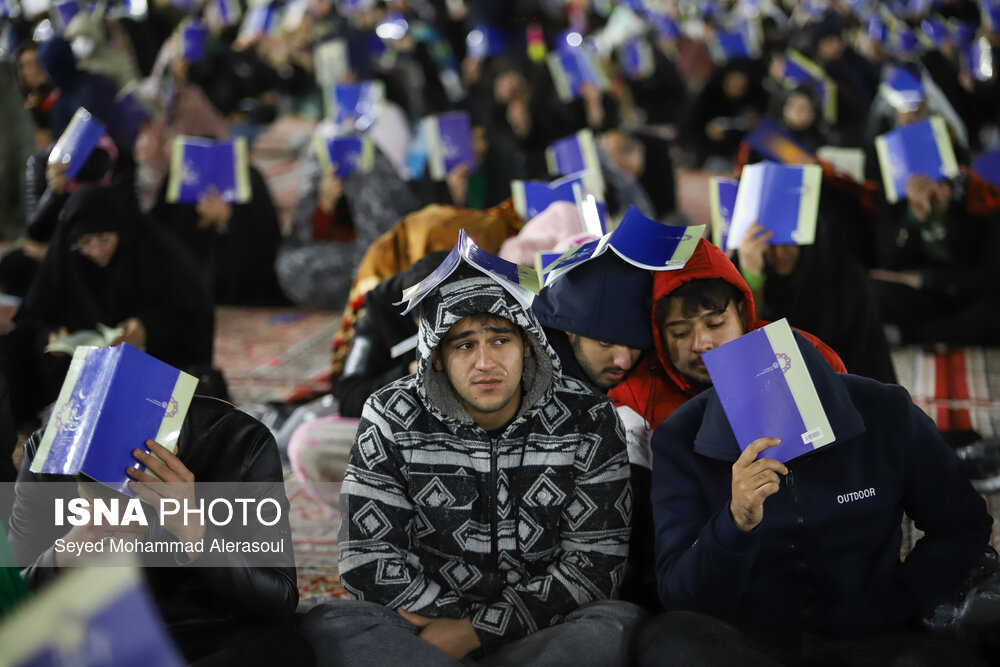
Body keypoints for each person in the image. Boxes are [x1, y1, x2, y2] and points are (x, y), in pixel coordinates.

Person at [303, 261, 644, 665]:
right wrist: (445, 625)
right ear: (437, 357)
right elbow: (366, 558)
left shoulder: (587, 415)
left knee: (613, 624)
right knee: (329, 623)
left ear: (528, 343)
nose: (485, 362)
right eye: (464, 345)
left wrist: (474, 633)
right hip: (423, 628)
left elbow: (597, 565)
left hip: (542, 627)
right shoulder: (391, 414)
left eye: (500, 340)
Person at [636, 330, 993, 666]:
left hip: (876, 635)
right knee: (667, 642)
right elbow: (678, 595)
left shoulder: (884, 411)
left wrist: (905, 598)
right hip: (749, 641)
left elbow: (962, 523)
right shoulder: (682, 438)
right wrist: (735, 523)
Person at [7, 395, 315, 666]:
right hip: (94, 639)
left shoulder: (240, 441)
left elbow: (279, 602)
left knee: (287, 649)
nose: (124, 531)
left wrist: (196, 534)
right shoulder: (49, 455)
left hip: (205, 636)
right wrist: (68, 551)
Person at [608, 238, 846, 450]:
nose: (701, 344)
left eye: (715, 324)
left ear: (742, 314)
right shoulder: (638, 398)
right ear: (660, 335)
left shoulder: (805, 358)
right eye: (680, 333)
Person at [6, 185, 214, 426]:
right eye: (84, 242)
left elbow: (192, 314)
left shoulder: (155, 254)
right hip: (77, 378)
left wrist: (148, 329)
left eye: (104, 240)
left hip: (147, 372)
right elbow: (31, 320)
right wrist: (50, 336)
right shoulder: (66, 259)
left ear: (122, 232)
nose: (95, 251)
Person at [531, 250, 662, 612]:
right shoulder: (525, 387)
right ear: (569, 327)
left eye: (634, 343)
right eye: (606, 342)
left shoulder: (642, 381)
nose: (624, 360)